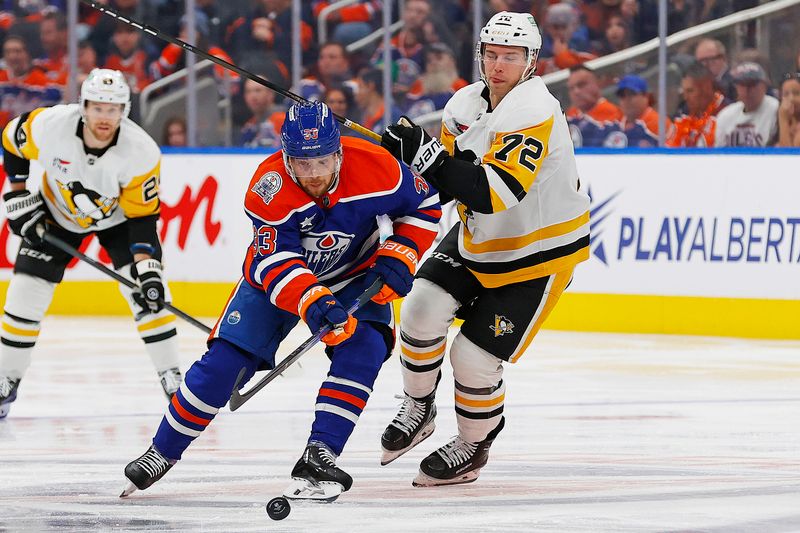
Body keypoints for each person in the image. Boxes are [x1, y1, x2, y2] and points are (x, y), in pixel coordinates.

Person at [121, 101, 440, 501]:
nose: (312, 175)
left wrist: (403, 252)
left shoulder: (379, 167)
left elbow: (426, 205)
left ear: (338, 150)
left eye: (322, 161)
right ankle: (161, 452)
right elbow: (276, 259)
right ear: (285, 155)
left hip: (355, 274)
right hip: (276, 283)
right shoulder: (267, 188)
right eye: (301, 163)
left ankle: (320, 452)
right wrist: (310, 298)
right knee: (224, 364)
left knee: (366, 348)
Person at [378, 11, 590, 486]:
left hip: (539, 252)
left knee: (472, 358)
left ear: (530, 61)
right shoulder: (464, 103)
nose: (498, 66)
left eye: (510, 57)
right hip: (480, 237)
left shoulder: (534, 109)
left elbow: (494, 193)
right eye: (491, 55)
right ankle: (419, 406)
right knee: (418, 311)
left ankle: (472, 446)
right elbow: (450, 182)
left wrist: (426, 155)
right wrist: (404, 167)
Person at [0, 68, 183, 418]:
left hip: (118, 221)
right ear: (83, 105)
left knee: (150, 296)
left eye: (113, 109)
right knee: (24, 294)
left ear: (124, 111)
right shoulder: (50, 125)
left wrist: (148, 268)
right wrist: (18, 192)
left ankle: (171, 376)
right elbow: (11, 140)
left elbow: (143, 219)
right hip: (57, 212)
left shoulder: (141, 151)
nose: (104, 117)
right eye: (98, 107)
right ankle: (5, 380)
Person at [714, 62, 778, 147]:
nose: (746, 90)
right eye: (742, 84)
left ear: (764, 85)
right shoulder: (725, 115)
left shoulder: (776, 110)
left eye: (752, 84)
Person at [667, 62, 730, 147]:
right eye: (684, 91)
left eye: (690, 91)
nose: (685, 97)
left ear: (707, 88)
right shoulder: (683, 112)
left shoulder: (727, 112)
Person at [566, 65, 624, 147]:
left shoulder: (615, 115)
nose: (576, 92)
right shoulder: (569, 115)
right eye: (571, 88)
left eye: (581, 85)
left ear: (597, 83)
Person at [616, 74, 672, 148]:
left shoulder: (659, 123)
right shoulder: (615, 122)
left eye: (631, 94)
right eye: (622, 95)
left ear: (646, 96)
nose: (626, 100)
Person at [777, 73, 800, 147]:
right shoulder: (775, 123)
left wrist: (783, 119)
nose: (791, 99)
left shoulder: (783, 119)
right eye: (786, 94)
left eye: (796, 93)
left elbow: (788, 156)